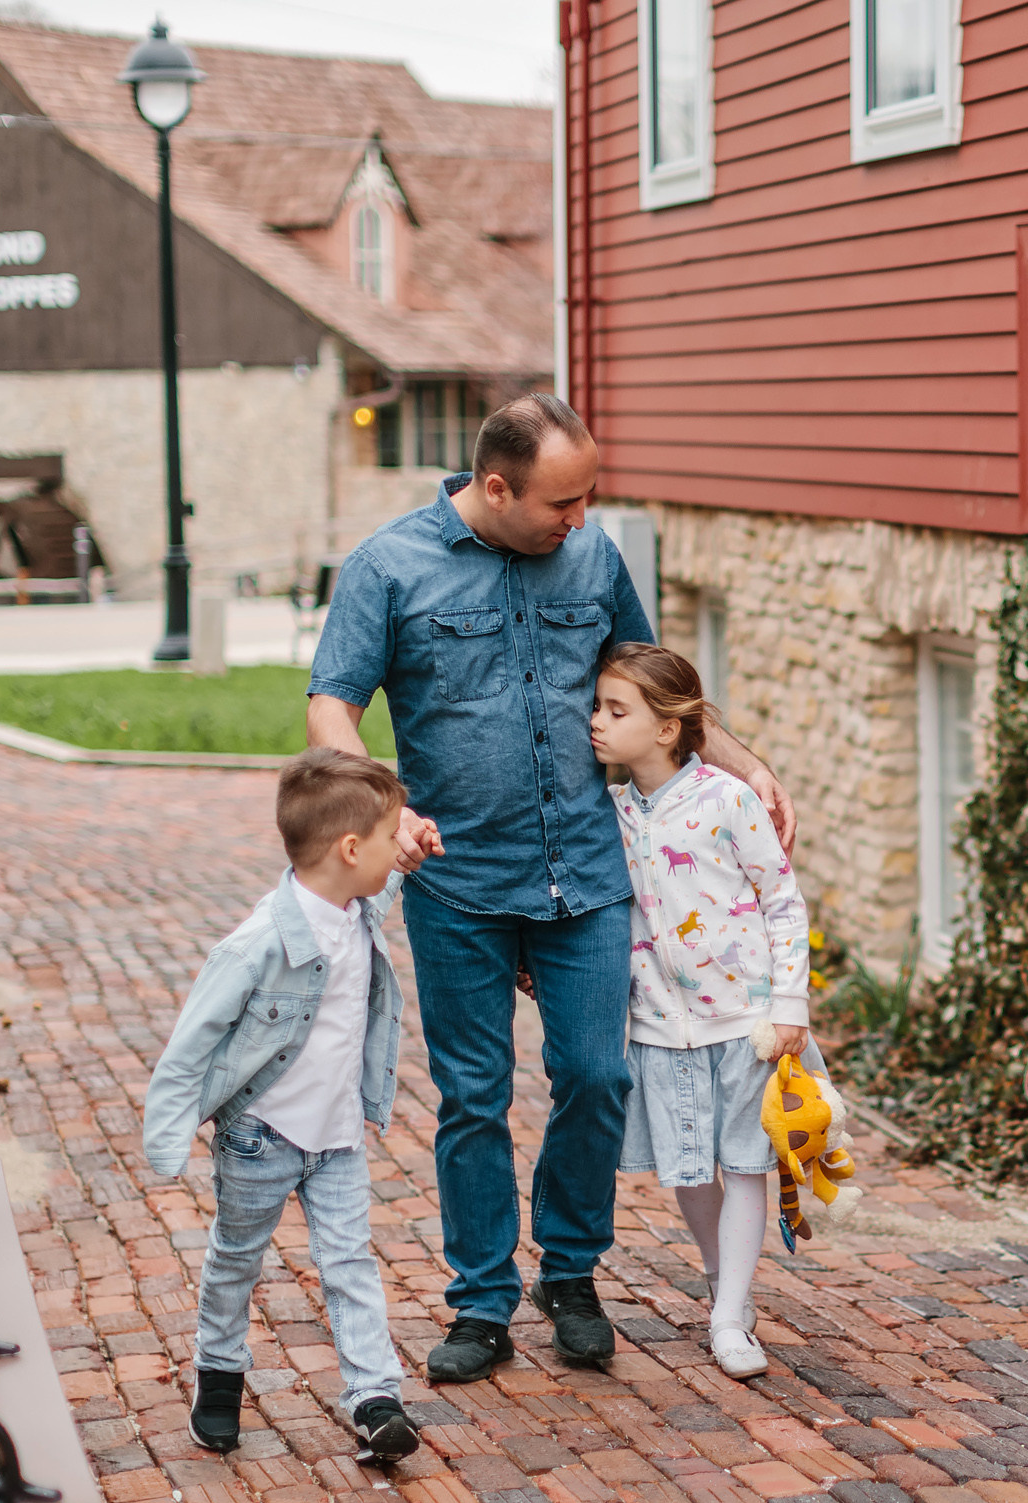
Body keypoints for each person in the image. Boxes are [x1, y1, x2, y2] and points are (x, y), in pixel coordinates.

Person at [306, 396, 792, 1380]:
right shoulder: (387, 567)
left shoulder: (593, 557)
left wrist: (740, 762)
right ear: (495, 487)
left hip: (588, 870)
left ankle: (571, 1271)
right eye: (562, 503)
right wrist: (382, 806)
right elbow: (332, 705)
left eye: (589, 498)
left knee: (597, 1075)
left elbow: (652, 682)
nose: (580, 520)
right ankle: (481, 1301)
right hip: (458, 884)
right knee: (473, 1096)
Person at [143, 747, 419, 1463]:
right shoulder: (257, 944)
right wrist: (168, 1138)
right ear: (350, 848)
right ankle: (220, 1374)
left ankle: (374, 1396)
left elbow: (377, 893)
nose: (397, 849)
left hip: (336, 1137)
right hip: (260, 1136)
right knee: (237, 1258)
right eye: (391, 838)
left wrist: (407, 858)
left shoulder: (352, 906)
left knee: (350, 1260)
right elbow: (188, 1046)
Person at [593, 644, 808, 1378]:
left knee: (745, 1161)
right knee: (689, 1167)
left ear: (664, 728)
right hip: (659, 1024)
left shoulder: (727, 799)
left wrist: (788, 1003)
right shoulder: (611, 812)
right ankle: (726, 1281)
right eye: (597, 706)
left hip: (744, 1024)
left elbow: (781, 900)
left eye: (615, 710)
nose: (595, 721)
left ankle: (727, 1316)